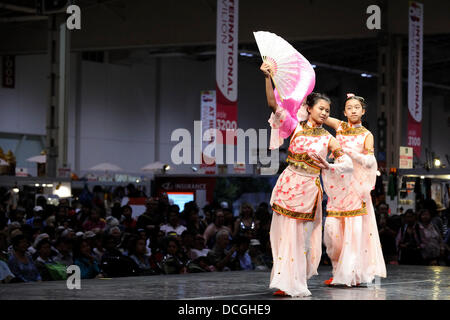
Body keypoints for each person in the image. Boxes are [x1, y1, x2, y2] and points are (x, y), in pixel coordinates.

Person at [261, 62, 353, 297]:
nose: (324, 113)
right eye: (321, 108)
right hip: (288, 184)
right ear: (309, 108)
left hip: (308, 190)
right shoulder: (295, 128)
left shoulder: (328, 139)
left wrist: (328, 165)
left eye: (328, 111)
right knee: (281, 236)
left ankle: (297, 282)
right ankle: (283, 281)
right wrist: (268, 77)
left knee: (301, 239)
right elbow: (273, 104)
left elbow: (347, 165)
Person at [322, 93, 386, 286]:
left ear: (363, 111)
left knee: (353, 232)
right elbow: (321, 116)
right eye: (349, 107)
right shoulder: (340, 126)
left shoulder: (367, 135)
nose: (353, 110)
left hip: (356, 187)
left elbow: (370, 161)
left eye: (357, 107)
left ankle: (353, 274)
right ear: (344, 112)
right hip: (338, 185)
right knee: (333, 231)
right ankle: (337, 271)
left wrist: (349, 152)